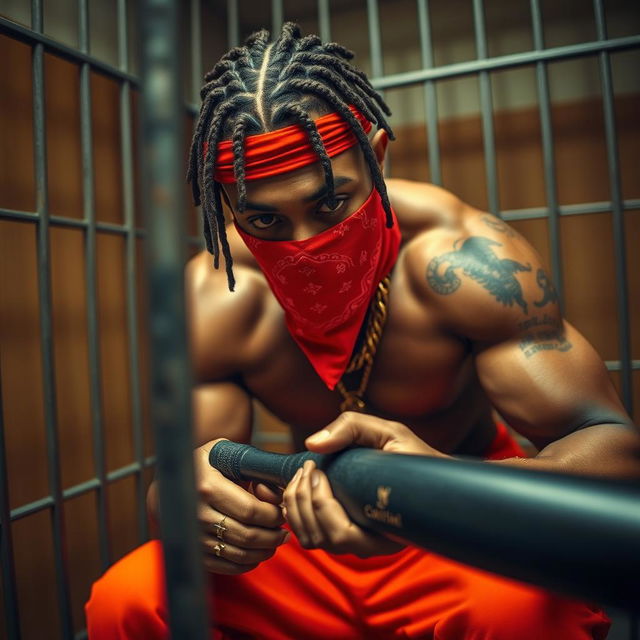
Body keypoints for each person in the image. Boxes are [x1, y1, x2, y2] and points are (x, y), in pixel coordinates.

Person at [85, 23, 639, 639]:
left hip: (466, 526)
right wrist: (194, 504)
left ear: (375, 156)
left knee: (525, 613)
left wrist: (437, 492)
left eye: (330, 204)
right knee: (130, 599)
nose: (304, 245)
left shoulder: (465, 262)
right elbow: (183, 486)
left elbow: (615, 454)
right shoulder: (218, 294)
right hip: (305, 530)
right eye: (263, 219)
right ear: (225, 206)